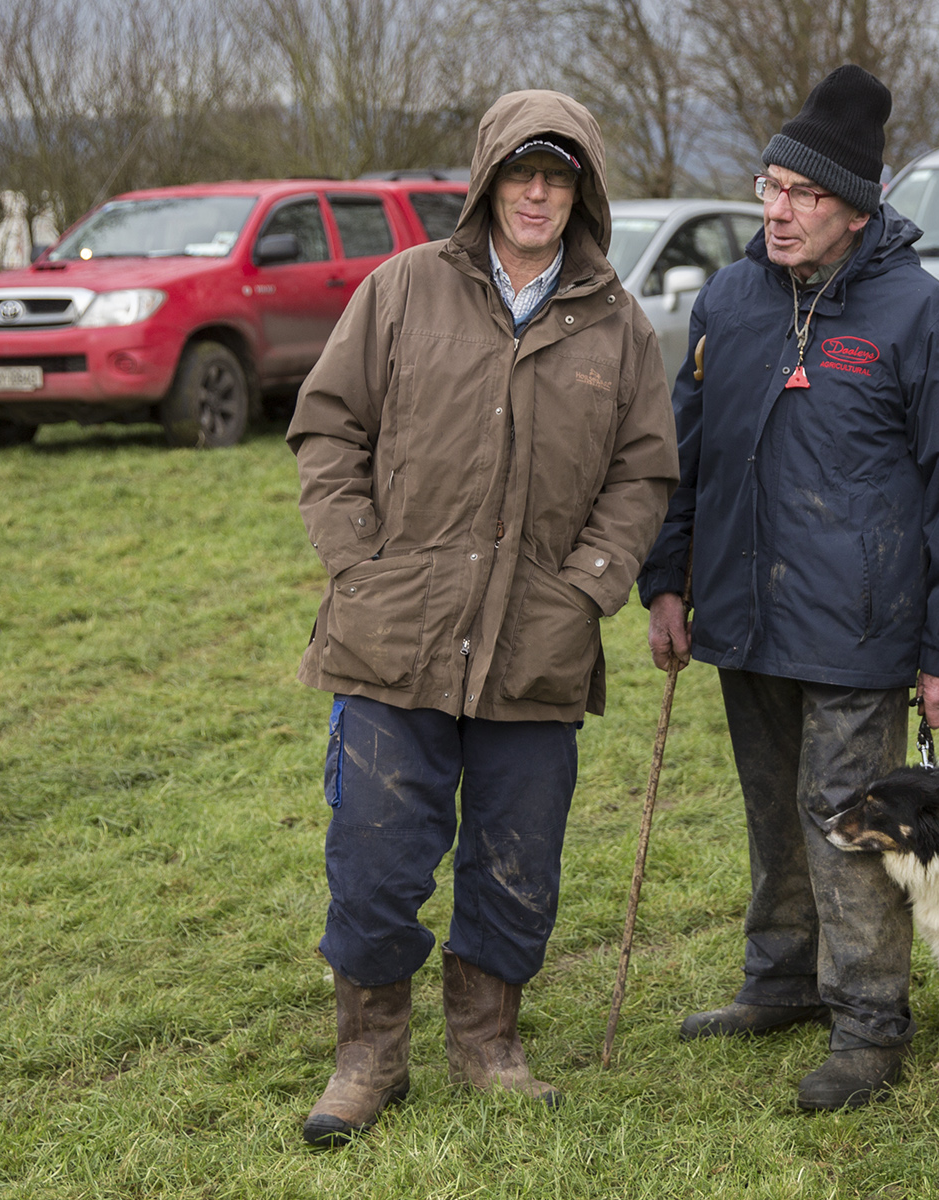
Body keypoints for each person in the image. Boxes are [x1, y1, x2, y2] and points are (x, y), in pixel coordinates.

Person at [287, 90, 678, 1147]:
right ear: (488, 183)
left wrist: (590, 584)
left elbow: (645, 472)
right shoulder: (403, 290)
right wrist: (357, 564)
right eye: (521, 172)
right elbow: (328, 431)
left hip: (536, 642)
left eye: (558, 174)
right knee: (373, 855)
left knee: (519, 856)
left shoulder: (616, 323)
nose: (538, 191)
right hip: (392, 636)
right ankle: (368, 1055)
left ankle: (489, 1046)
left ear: (584, 189)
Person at [637, 64, 939, 1111]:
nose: (778, 212)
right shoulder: (731, 300)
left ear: (857, 212)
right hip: (745, 617)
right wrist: (669, 581)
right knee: (770, 812)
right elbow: (688, 450)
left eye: (804, 197)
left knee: (844, 821)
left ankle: (870, 1022)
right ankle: (782, 981)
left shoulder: (922, 317)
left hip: (861, 625)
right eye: (770, 188)